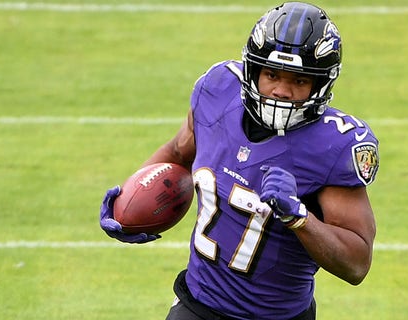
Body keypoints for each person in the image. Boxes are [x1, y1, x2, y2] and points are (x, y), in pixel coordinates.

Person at [99, 2, 380, 319]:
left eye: (299, 81)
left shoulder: (334, 145)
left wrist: (301, 219)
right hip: (198, 304)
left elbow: (357, 264)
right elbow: (178, 152)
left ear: (320, 84)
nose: (281, 91)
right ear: (253, 69)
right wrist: (128, 203)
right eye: (272, 74)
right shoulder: (218, 91)